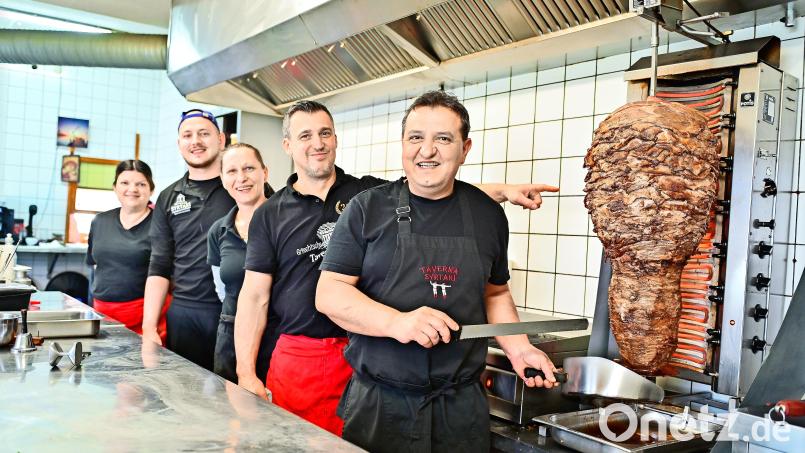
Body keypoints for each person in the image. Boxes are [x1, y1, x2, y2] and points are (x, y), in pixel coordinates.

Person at [235, 99, 557, 435]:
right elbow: (318, 294)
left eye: (444, 139)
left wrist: (519, 349)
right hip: (377, 400)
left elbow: (496, 292)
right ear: (403, 145)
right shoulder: (366, 206)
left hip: (461, 406)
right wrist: (398, 323)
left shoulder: (487, 214)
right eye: (416, 138)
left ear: (465, 148)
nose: (427, 150)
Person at [141, 109, 236, 371]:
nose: (195, 141)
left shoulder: (241, 187)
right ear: (179, 143)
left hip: (236, 312)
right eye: (188, 135)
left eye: (204, 134)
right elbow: (159, 263)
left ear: (221, 139)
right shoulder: (168, 197)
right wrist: (149, 326)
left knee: (235, 398)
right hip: (184, 312)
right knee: (185, 395)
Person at [207, 143, 278, 383]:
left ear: (264, 172)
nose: (242, 178)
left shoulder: (287, 219)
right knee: (228, 413)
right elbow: (221, 289)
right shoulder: (219, 230)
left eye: (249, 168)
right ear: (222, 178)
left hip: (278, 333)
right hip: (231, 331)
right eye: (232, 171)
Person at [87, 160, 169, 339]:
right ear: (115, 187)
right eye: (125, 183)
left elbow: (168, 273)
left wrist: (151, 325)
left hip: (146, 317)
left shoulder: (161, 224)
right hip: (103, 315)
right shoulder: (100, 221)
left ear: (151, 189)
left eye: (141, 184)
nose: (132, 189)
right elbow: (95, 266)